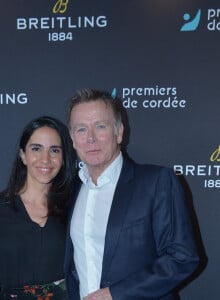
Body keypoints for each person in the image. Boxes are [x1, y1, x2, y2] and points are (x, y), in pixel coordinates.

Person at [64, 89, 200, 300]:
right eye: (81, 129)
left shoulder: (156, 182)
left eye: (100, 126)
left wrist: (115, 294)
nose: (90, 138)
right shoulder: (71, 189)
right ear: (72, 139)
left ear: (119, 132)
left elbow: (182, 258)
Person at [0, 116, 77, 300]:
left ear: (63, 158)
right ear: (23, 155)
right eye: (36, 149)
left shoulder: (75, 206)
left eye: (54, 150)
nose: (45, 159)